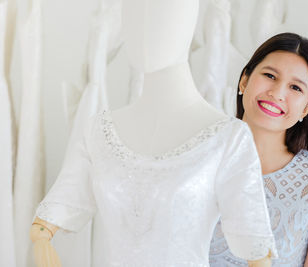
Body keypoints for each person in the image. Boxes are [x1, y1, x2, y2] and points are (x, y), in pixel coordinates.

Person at [29, 1, 277, 266]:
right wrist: (42, 243)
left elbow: (257, 251)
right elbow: (47, 223)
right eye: (133, 11)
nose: (144, 27)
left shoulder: (228, 139)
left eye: (162, 12)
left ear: (188, 19)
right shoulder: (98, 133)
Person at [209, 32, 308, 267]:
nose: (276, 93)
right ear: (244, 80)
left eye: (295, 87)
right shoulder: (197, 157)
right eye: (269, 75)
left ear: (307, 108)